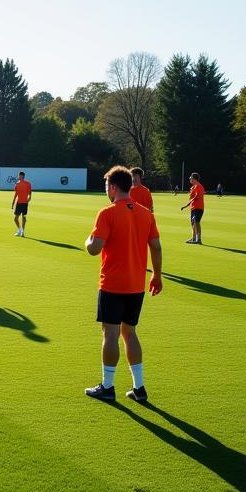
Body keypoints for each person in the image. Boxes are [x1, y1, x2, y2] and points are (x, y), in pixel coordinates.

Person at [84, 166, 162, 403]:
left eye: (107, 186)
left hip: (113, 284)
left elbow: (94, 248)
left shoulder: (107, 213)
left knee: (110, 333)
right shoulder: (146, 214)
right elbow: (156, 247)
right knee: (130, 333)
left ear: (113, 187)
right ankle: (139, 388)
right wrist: (157, 275)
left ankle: (107, 387)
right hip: (136, 285)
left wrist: (87, 239)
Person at [180, 172, 206, 244]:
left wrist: (188, 203)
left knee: (197, 222)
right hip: (193, 208)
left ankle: (199, 239)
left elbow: (198, 196)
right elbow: (193, 198)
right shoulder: (193, 187)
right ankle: (194, 238)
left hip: (198, 207)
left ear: (194, 179)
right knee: (193, 223)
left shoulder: (198, 186)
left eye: (191, 178)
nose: (190, 179)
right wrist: (188, 204)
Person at [12, 170, 32, 236]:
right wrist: (13, 202)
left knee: (23, 217)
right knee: (16, 218)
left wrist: (28, 199)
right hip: (20, 203)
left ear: (22, 176)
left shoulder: (28, 184)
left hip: (23, 203)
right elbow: (16, 194)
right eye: (18, 175)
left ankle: (22, 231)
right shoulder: (17, 184)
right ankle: (20, 230)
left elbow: (30, 193)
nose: (19, 176)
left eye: (20, 175)